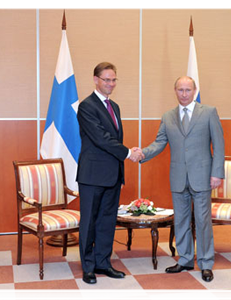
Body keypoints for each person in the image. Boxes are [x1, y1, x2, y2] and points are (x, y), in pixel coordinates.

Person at [140, 76, 225, 282]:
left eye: (188, 90)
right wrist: (142, 153)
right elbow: (159, 142)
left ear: (195, 91)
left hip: (203, 176)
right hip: (178, 177)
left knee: (203, 221)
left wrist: (217, 173)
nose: (184, 94)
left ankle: (205, 263)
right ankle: (185, 259)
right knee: (181, 220)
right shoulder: (168, 116)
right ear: (175, 91)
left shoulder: (209, 112)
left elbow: (219, 143)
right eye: (180, 90)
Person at [76, 62, 143, 284]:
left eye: (114, 80)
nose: (110, 84)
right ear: (95, 80)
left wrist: (121, 170)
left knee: (106, 221)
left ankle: (103, 263)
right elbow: (101, 139)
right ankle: (88, 267)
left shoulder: (114, 106)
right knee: (89, 222)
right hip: (92, 176)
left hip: (112, 175)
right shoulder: (86, 106)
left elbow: (115, 140)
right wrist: (128, 153)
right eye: (106, 79)